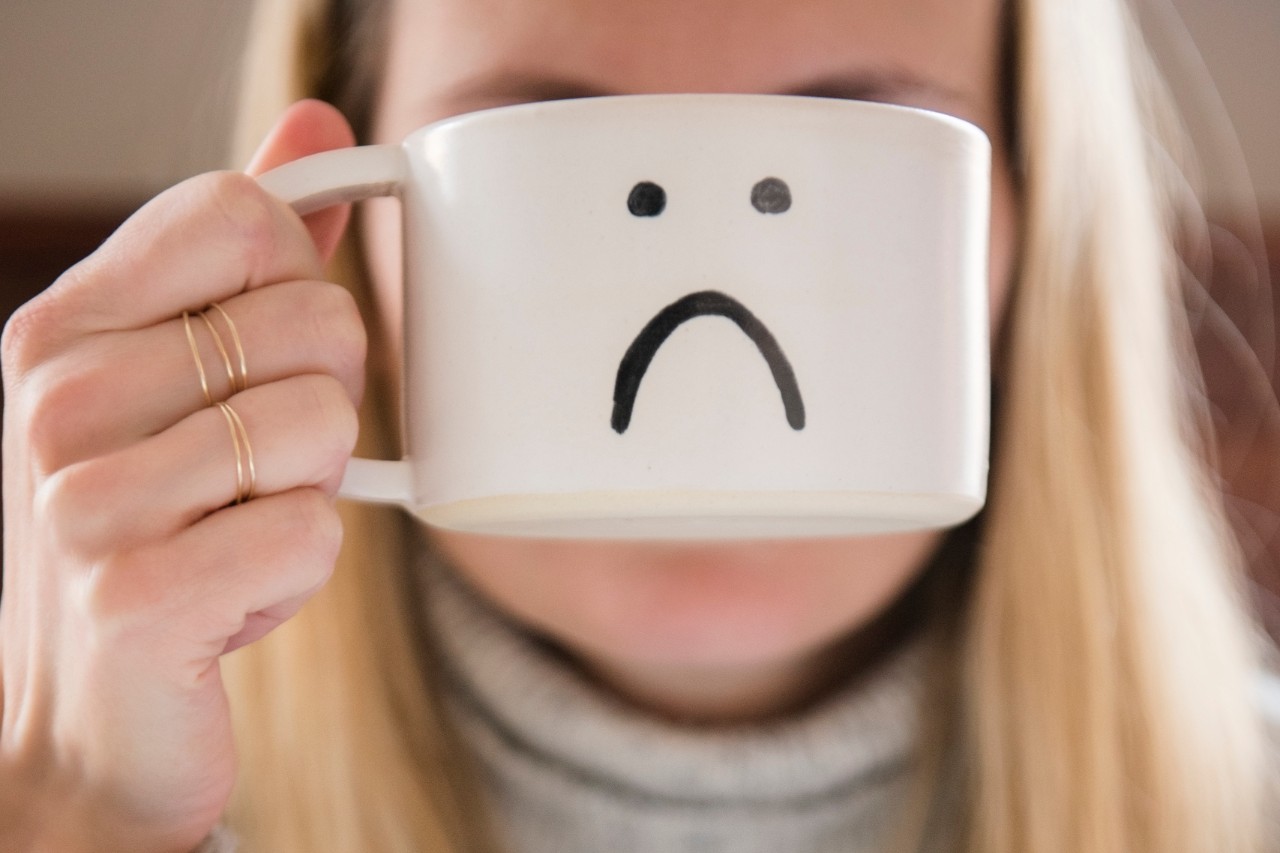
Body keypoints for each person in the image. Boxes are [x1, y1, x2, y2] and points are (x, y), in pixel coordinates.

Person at [1, 0, 1275, 851]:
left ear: (1022, 225)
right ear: (357, 228)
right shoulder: (99, 807)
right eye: (550, 145)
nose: (705, 275)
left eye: (838, 136)